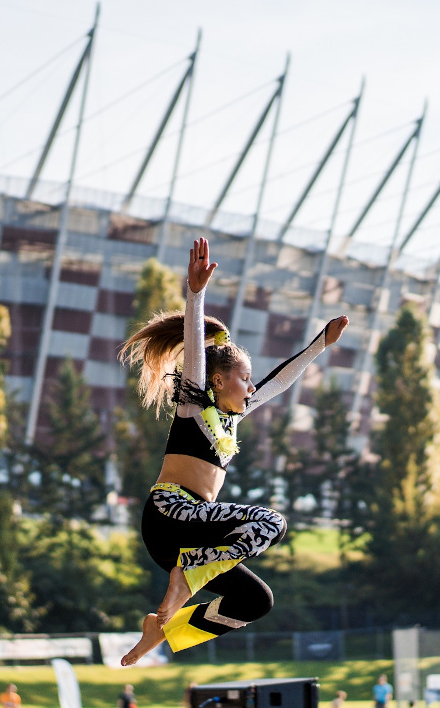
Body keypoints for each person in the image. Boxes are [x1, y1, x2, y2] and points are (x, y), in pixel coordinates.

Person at [119, 238, 349, 663]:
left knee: (256, 601)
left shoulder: (231, 419)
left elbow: (280, 381)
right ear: (219, 381)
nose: (251, 388)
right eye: (245, 380)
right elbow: (193, 347)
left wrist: (321, 344)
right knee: (271, 522)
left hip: (188, 541)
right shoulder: (193, 405)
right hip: (170, 516)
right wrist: (196, 292)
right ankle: (186, 581)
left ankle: (167, 626)